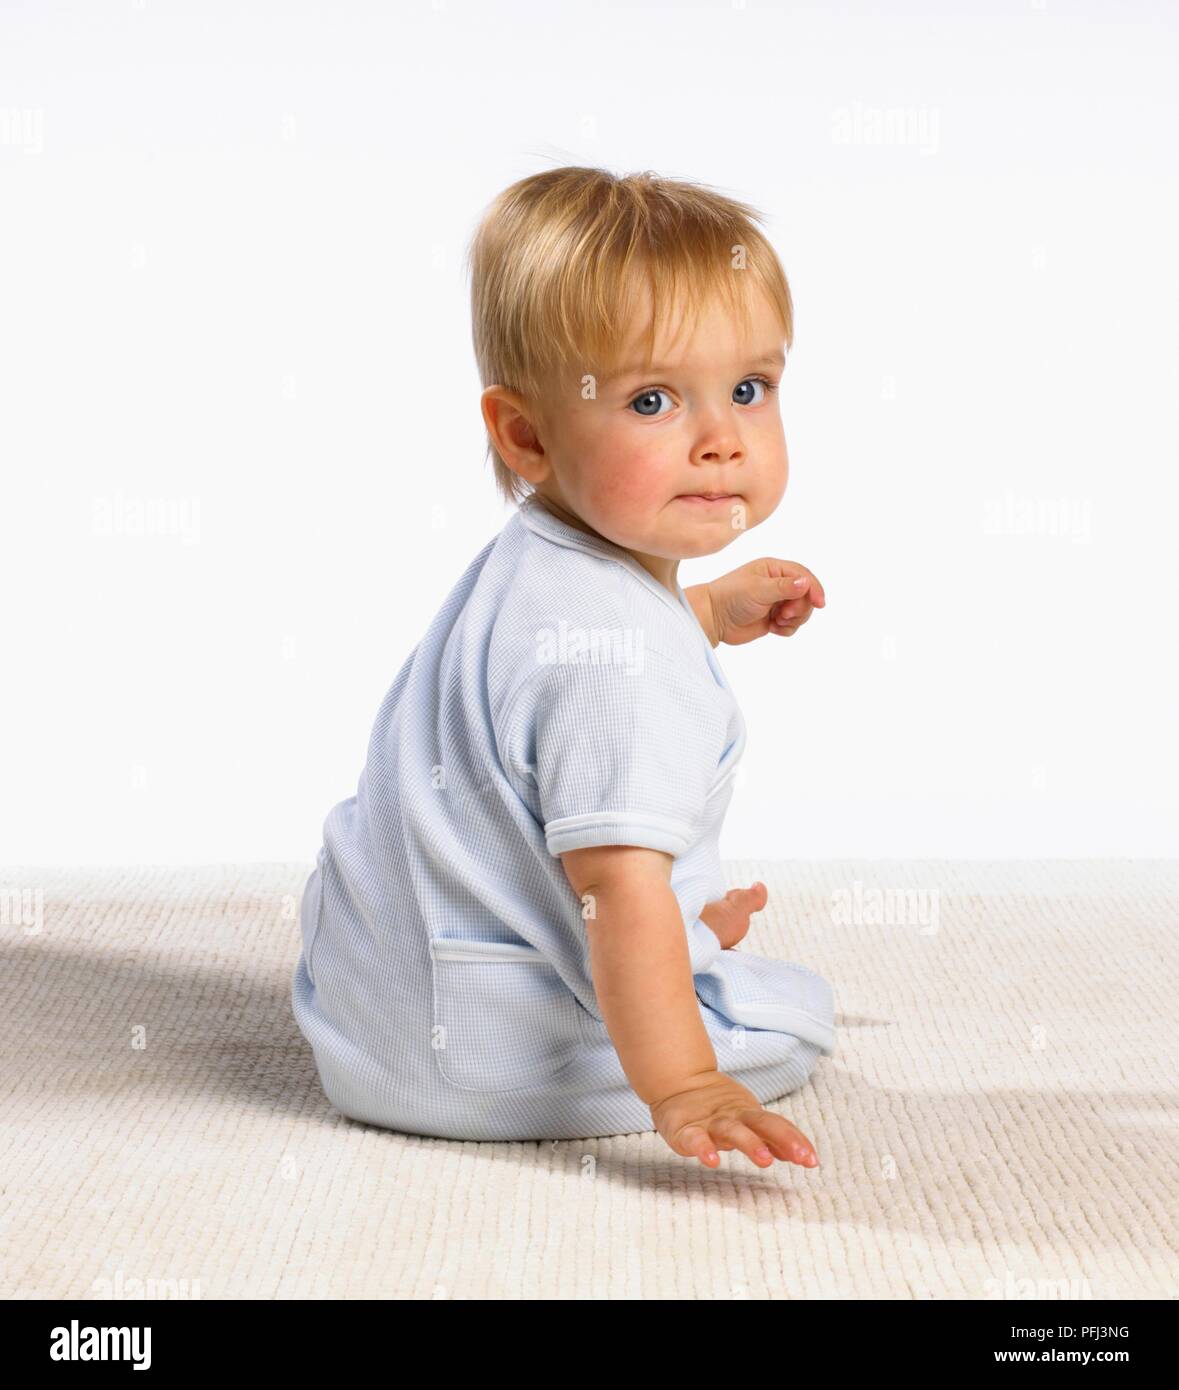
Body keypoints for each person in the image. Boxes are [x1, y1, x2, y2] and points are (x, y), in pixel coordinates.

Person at [292, 166, 836, 1169]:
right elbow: (618, 891)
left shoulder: (546, 570)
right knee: (797, 1015)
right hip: (490, 1065)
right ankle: (671, 1023)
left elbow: (543, 702)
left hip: (365, 1021)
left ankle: (676, 952)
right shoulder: (617, 669)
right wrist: (684, 1082)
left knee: (667, 919)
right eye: (654, 399)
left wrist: (707, 612)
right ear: (528, 433)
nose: (721, 441)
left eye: (750, 389)